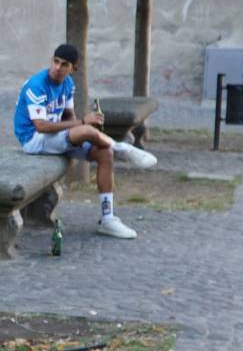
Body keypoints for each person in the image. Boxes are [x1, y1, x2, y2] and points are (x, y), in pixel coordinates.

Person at [14, 43, 158, 240]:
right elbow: (41, 126)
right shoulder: (36, 85)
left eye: (64, 64)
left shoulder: (68, 84)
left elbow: (68, 117)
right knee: (87, 130)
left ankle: (108, 219)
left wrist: (83, 131)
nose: (57, 67)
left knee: (104, 153)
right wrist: (83, 124)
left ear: (73, 68)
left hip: (54, 138)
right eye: (55, 62)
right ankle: (121, 147)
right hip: (34, 140)